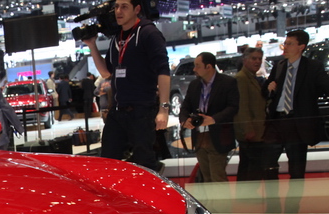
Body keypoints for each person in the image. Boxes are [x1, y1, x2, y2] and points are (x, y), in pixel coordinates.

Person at [83, 0, 171, 172]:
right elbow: (106, 72)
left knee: (144, 162)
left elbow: (163, 71)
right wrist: (92, 45)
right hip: (118, 111)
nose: (118, 11)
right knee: (108, 160)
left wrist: (164, 109)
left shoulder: (148, 33)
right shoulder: (118, 38)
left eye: (124, 6)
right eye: (116, 7)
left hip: (142, 111)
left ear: (137, 9)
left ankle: (149, 198)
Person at [264, 29, 329, 211]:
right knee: (268, 165)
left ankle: (293, 209)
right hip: (277, 121)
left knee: (297, 170)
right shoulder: (280, 66)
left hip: (298, 123)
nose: (286, 47)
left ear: (301, 47)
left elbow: (325, 87)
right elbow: (266, 90)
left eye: (290, 43)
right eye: (285, 43)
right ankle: (273, 207)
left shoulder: (313, 67)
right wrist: (268, 88)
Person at [180, 51, 239, 183]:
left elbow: (233, 107)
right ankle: (210, 204)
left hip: (218, 135)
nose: (194, 69)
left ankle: (221, 204)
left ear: (209, 67)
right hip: (199, 137)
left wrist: (213, 119)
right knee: (206, 177)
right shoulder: (194, 85)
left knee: (217, 176)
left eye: (197, 65)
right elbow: (185, 107)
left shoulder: (228, 82)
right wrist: (185, 120)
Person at [234, 48, 269, 186]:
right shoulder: (242, 78)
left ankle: (247, 195)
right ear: (245, 60)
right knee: (251, 166)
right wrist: (248, 129)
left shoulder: (253, 78)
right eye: (254, 58)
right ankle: (247, 196)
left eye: (259, 59)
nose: (257, 61)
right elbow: (242, 106)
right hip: (251, 132)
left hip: (258, 130)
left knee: (251, 165)